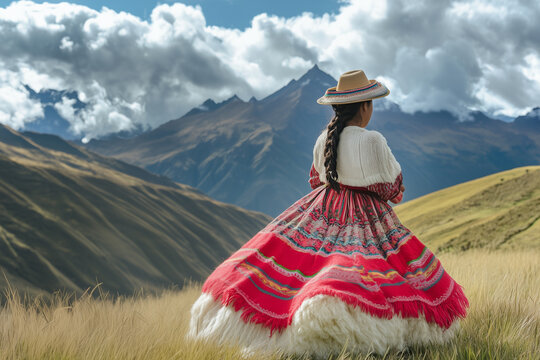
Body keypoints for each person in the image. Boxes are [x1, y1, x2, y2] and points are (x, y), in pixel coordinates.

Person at [186, 70, 469, 358]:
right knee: (376, 264)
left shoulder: (323, 140)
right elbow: (393, 189)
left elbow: (315, 179)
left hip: (323, 206)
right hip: (368, 215)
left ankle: (288, 326)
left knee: (305, 263)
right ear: (365, 106)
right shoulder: (373, 141)